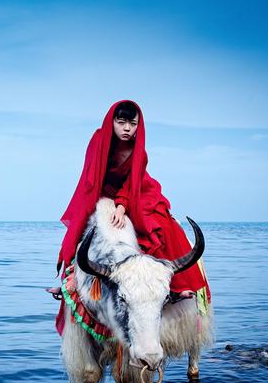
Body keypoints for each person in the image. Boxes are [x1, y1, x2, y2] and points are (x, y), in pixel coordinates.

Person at [54, 99, 211, 335]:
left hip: (137, 193)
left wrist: (122, 205)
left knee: (159, 224)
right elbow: (91, 175)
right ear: (112, 122)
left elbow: (133, 182)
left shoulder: (140, 151)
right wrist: (101, 204)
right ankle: (71, 283)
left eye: (133, 123)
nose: (127, 128)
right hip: (100, 192)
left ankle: (173, 287)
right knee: (80, 233)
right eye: (122, 122)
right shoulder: (98, 141)